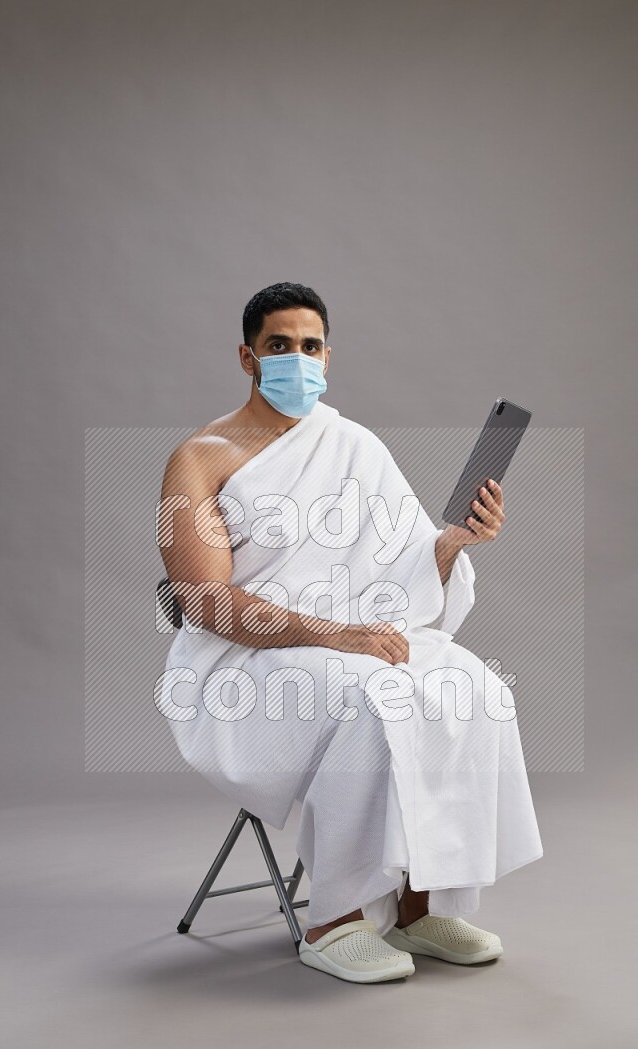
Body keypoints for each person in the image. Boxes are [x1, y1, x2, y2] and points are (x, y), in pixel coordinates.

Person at [156, 282, 543, 985]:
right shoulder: (199, 458)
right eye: (279, 345)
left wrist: (454, 543)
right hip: (241, 660)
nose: (296, 359)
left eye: (310, 346)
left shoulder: (354, 445)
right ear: (247, 356)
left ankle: (423, 907)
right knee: (370, 699)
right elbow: (206, 603)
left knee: (473, 689)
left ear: (328, 358)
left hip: (351, 637)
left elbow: (405, 566)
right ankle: (334, 920)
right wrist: (339, 637)